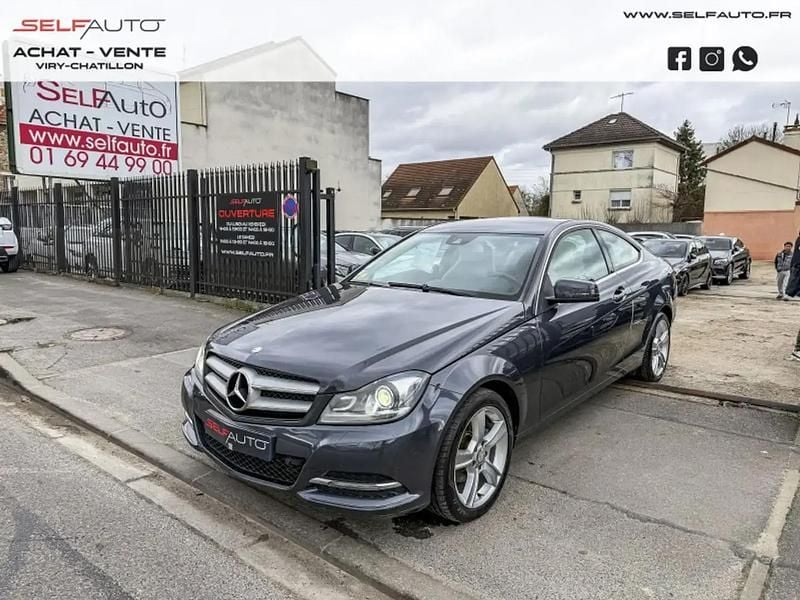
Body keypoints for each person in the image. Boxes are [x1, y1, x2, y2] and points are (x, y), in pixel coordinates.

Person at [785, 230, 800, 298]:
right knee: (794, 280)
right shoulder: (799, 240)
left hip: (796, 263)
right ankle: (789, 294)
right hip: (797, 264)